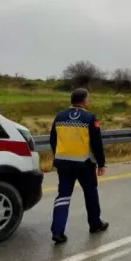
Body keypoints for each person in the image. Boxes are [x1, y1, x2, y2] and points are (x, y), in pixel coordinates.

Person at [49, 88, 109, 244]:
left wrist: (59, 155)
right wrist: (101, 163)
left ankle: (57, 231)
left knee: (63, 196)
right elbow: (96, 143)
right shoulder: (90, 118)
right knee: (90, 193)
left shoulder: (59, 116)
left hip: (63, 163)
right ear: (84, 100)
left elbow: (52, 140)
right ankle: (95, 224)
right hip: (84, 164)